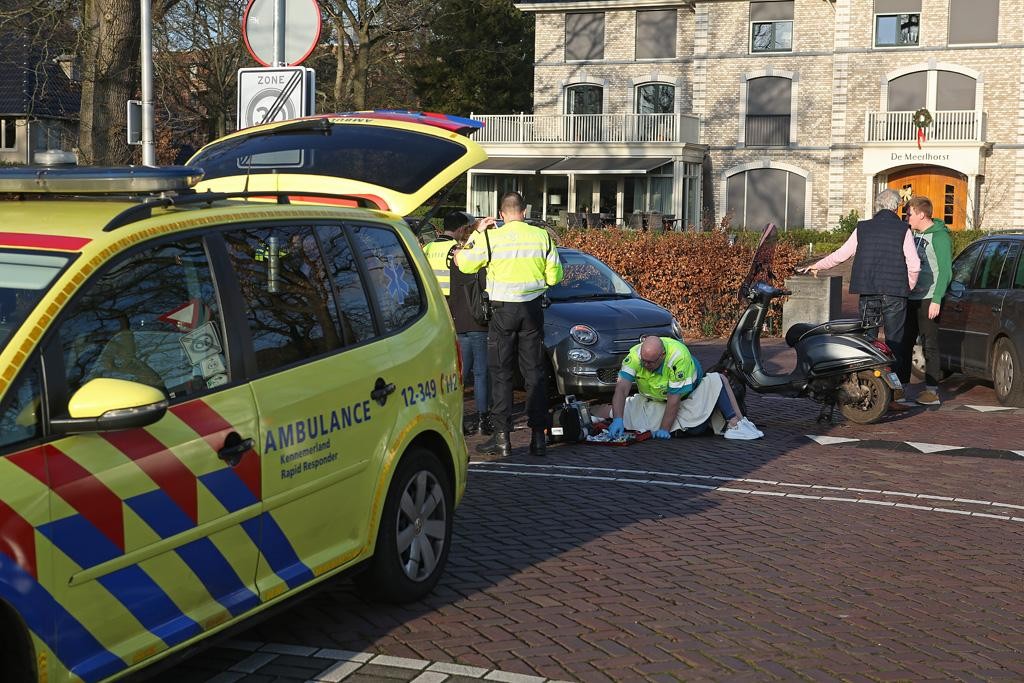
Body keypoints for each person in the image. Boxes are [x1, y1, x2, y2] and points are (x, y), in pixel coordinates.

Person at [456, 192, 563, 457]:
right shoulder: (542, 237)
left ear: (501, 214)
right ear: (524, 211)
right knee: (534, 372)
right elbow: (555, 276)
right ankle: (538, 437)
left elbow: (464, 264)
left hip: (502, 311)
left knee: (501, 372)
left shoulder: (491, 237)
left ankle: (502, 439)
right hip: (532, 310)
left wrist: (477, 233)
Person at [800, 189, 920, 409]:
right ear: (895, 207)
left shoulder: (862, 228)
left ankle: (867, 386)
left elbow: (842, 254)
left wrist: (817, 265)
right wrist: (907, 287)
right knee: (897, 342)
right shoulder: (904, 229)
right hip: (895, 293)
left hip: (869, 290)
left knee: (868, 340)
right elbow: (914, 265)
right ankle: (898, 393)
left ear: (877, 206)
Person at [591, 336, 762, 440]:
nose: (646, 365)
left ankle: (735, 423)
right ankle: (588, 414)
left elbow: (674, 401)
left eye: (651, 362)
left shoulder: (678, 358)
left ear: (663, 355)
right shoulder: (635, 356)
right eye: (644, 360)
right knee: (619, 412)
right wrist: (618, 419)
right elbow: (621, 389)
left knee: (715, 385)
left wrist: (665, 429)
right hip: (654, 400)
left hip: (686, 396)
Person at [444, 212, 493, 436]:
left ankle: (459, 419)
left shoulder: (454, 259)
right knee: (482, 373)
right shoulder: (479, 263)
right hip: (478, 322)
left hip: (458, 321)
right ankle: (484, 419)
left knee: (462, 376)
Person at [905, 196, 953, 406]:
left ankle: (932, 391)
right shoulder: (913, 234)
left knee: (929, 344)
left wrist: (936, 299)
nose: (907, 217)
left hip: (928, 298)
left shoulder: (940, 237)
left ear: (921, 214)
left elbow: (946, 271)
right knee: (905, 343)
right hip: (911, 297)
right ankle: (899, 389)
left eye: (910, 214)